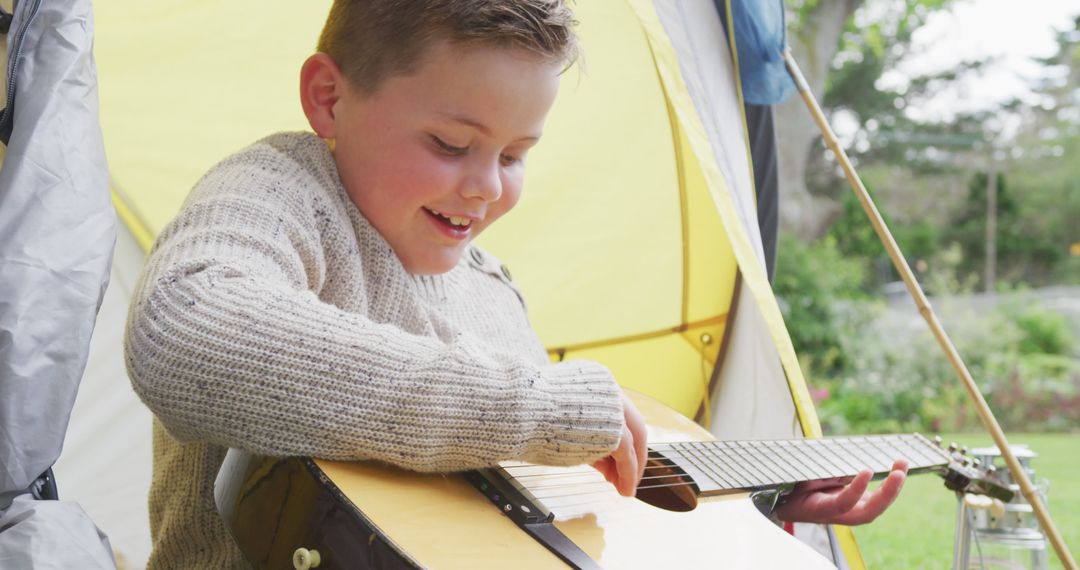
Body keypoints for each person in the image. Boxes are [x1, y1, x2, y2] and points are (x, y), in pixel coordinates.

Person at [124, 1, 904, 567]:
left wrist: (748, 501)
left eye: (514, 155)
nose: (484, 188)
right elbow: (182, 333)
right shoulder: (281, 192)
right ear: (329, 97)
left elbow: (532, 514)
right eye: (451, 142)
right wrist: (540, 404)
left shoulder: (491, 290)